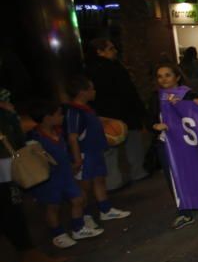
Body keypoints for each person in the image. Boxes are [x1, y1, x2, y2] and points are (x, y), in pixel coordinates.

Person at [1, 90, 68, 262]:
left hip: (7, 160)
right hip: (4, 161)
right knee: (9, 206)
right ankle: (27, 255)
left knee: (11, 207)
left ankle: (28, 254)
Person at [26, 101, 105, 248]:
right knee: (53, 206)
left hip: (66, 175)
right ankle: (58, 234)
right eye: (58, 114)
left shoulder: (58, 132)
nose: (62, 116)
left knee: (78, 199)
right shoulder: (34, 138)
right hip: (49, 179)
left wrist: (72, 163)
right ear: (47, 117)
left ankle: (78, 228)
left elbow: (63, 151)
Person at [64, 75, 131, 229]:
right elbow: (73, 137)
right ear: (82, 92)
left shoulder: (86, 109)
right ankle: (85, 216)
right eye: (91, 88)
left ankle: (105, 209)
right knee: (84, 187)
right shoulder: (73, 112)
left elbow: (94, 122)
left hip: (95, 152)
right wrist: (77, 159)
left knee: (99, 180)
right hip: (84, 154)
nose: (94, 91)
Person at [86, 38, 149, 188]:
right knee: (132, 146)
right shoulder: (114, 68)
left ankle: (113, 182)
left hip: (106, 116)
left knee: (110, 151)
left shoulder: (89, 70)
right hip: (125, 114)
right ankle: (137, 173)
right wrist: (139, 112)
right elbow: (128, 92)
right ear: (99, 51)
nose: (115, 51)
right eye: (110, 48)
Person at [149, 63, 198, 229]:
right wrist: (155, 126)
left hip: (188, 145)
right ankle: (184, 212)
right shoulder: (155, 97)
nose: (164, 79)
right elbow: (149, 118)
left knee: (194, 173)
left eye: (168, 75)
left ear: (177, 77)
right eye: (160, 76)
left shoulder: (187, 94)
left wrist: (194, 104)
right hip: (166, 144)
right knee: (173, 178)